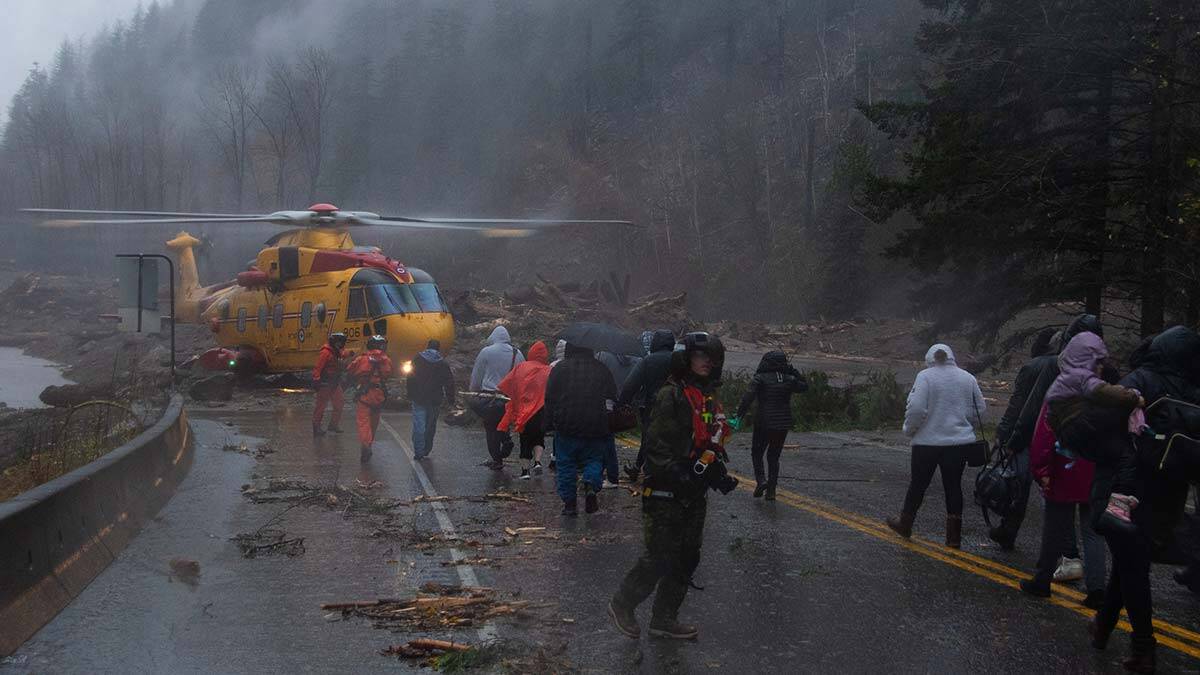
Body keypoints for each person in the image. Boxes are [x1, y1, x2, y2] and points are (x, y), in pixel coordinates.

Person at [609, 332, 732, 641]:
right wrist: (679, 472)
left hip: (693, 494)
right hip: (664, 491)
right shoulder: (671, 394)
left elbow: (708, 440)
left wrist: (713, 472)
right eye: (701, 356)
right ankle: (622, 604)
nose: (707, 362)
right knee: (659, 556)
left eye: (712, 357)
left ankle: (664, 618)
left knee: (688, 556)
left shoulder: (707, 397)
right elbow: (654, 446)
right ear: (687, 358)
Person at [1046, 332, 1152, 673]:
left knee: (1119, 552)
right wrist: (1132, 397)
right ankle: (1132, 636)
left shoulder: (1066, 376)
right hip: (1088, 438)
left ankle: (1105, 622)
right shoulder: (1083, 379)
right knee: (1116, 540)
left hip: (1077, 441)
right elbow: (1102, 394)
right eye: (1099, 359)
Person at [1018, 334, 1124, 608]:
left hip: (1064, 469)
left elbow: (1044, 431)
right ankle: (1097, 590)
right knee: (1092, 532)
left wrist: (1040, 467)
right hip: (1095, 469)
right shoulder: (1106, 389)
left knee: (1055, 529)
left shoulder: (1063, 387)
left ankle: (1042, 581)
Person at [991, 314, 1103, 551]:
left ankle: (1011, 532)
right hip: (1070, 441)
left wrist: (1008, 436)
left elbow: (1022, 406)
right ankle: (1067, 554)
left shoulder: (1041, 366)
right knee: (1060, 496)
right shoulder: (1095, 370)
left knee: (1020, 488)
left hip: (1034, 437)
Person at [886, 344, 985, 549]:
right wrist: (965, 426)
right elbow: (980, 410)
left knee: (918, 484)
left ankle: (905, 523)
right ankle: (954, 537)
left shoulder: (925, 376)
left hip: (926, 443)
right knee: (953, 486)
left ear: (930, 358)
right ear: (951, 357)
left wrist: (909, 429)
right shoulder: (967, 377)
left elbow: (916, 408)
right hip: (958, 443)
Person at [543, 342, 616, 515]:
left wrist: (546, 424)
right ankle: (591, 484)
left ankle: (569, 504)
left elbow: (549, 398)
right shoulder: (601, 368)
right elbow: (612, 394)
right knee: (594, 459)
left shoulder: (560, 368)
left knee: (566, 463)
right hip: (595, 424)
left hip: (566, 423)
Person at [732, 351, 808, 501]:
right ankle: (771, 491)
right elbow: (805, 386)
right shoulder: (790, 379)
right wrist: (794, 371)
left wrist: (739, 416)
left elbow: (747, 398)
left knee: (757, 452)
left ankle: (761, 481)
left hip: (763, 422)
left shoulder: (760, 378)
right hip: (783, 423)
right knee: (774, 456)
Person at [618, 330, 676, 481]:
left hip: (653, 408)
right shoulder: (679, 360)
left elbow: (630, 385)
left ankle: (642, 471)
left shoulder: (648, 361)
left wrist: (623, 402)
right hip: (679, 408)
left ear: (655, 343)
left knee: (648, 439)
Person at [469, 326, 524, 469]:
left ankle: (497, 459)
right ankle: (506, 440)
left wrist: (474, 390)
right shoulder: (517, 353)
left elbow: (477, 375)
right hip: (508, 399)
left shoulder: (486, 352)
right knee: (503, 423)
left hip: (489, 397)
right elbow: (522, 376)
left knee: (491, 427)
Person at [497, 340, 551, 479]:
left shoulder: (521, 367)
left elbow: (509, 384)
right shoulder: (548, 370)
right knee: (539, 437)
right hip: (542, 410)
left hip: (524, 411)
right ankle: (538, 461)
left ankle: (525, 471)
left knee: (525, 440)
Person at [598, 350, 641, 489]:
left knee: (603, 440)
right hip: (621, 403)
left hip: (604, 403)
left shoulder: (603, 357)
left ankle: (608, 476)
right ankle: (610, 475)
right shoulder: (635, 359)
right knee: (608, 439)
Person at [406, 339, 456, 459]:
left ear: (427, 347)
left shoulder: (417, 359)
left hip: (419, 397)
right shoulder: (443, 363)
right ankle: (426, 449)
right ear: (438, 349)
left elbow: (410, 377)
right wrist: (451, 399)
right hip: (435, 399)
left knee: (419, 425)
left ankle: (418, 452)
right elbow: (449, 382)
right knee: (430, 425)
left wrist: (409, 393)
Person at [348, 335, 394, 461]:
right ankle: (369, 443)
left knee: (363, 423)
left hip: (364, 394)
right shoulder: (386, 360)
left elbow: (350, 370)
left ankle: (365, 445)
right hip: (378, 395)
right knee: (374, 423)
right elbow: (389, 373)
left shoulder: (361, 359)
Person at [312, 332, 349, 436]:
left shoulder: (336, 351)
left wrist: (351, 353)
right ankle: (316, 426)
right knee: (321, 406)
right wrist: (316, 380)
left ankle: (333, 424)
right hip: (325, 383)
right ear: (334, 342)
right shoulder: (326, 353)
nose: (341, 345)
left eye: (342, 343)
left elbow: (343, 353)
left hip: (334, 382)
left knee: (339, 403)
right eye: (339, 343)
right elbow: (317, 368)